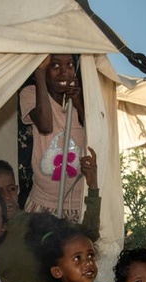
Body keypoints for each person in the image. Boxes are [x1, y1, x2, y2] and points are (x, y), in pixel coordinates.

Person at [19, 54, 98, 222]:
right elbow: (45, 125)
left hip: (78, 202)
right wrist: (39, 73)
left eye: (69, 65)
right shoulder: (31, 93)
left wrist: (78, 103)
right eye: (55, 65)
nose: (64, 72)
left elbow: (96, 132)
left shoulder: (87, 99)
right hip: (43, 201)